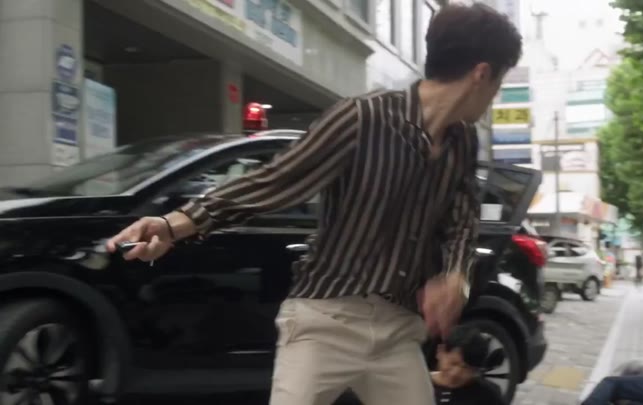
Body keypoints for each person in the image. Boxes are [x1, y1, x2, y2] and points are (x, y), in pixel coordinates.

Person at [106, 3, 522, 404]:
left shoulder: (463, 142)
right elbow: (276, 179)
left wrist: (455, 277)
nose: (494, 96)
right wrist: (174, 224)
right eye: (499, 82)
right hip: (326, 321)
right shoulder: (363, 119)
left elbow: (462, 222)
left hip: (398, 333)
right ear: (481, 74)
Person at [432, 324, 505, 405]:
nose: (455, 373)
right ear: (440, 352)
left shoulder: (487, 395)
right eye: (453, 363)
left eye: (466, 368)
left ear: (476, 371)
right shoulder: (423, 384)